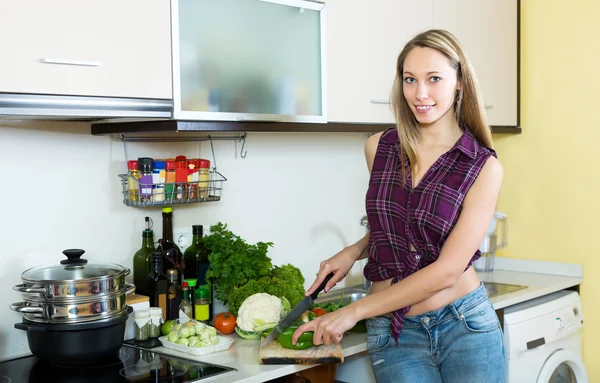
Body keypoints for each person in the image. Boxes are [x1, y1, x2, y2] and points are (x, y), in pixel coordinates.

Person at [292, 29, 506, 382]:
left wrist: (352, 312)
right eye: (410, 79)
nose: (420, 93)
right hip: (394, 336)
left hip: (464, 326)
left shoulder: (482, 167)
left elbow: (447, 270)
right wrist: (354, 251)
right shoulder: (378, 148)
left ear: (459, 84)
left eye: (434, 79)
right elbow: (402, 224)